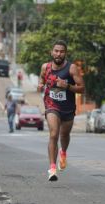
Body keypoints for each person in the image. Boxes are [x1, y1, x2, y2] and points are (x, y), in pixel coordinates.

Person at [38, 40, 85, 181]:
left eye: (61, 51)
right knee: (54, 133)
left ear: (65, 53)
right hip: (51, 104)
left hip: (68, 108)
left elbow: (82, 88)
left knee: (64, 135)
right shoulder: (45, 67)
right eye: (56, 51)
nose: (58, 54)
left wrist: (68, 87)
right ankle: (52, 168)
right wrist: (40, 86)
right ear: (51, 52)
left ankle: (63, 152)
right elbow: (41, 80)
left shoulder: (72, 69)